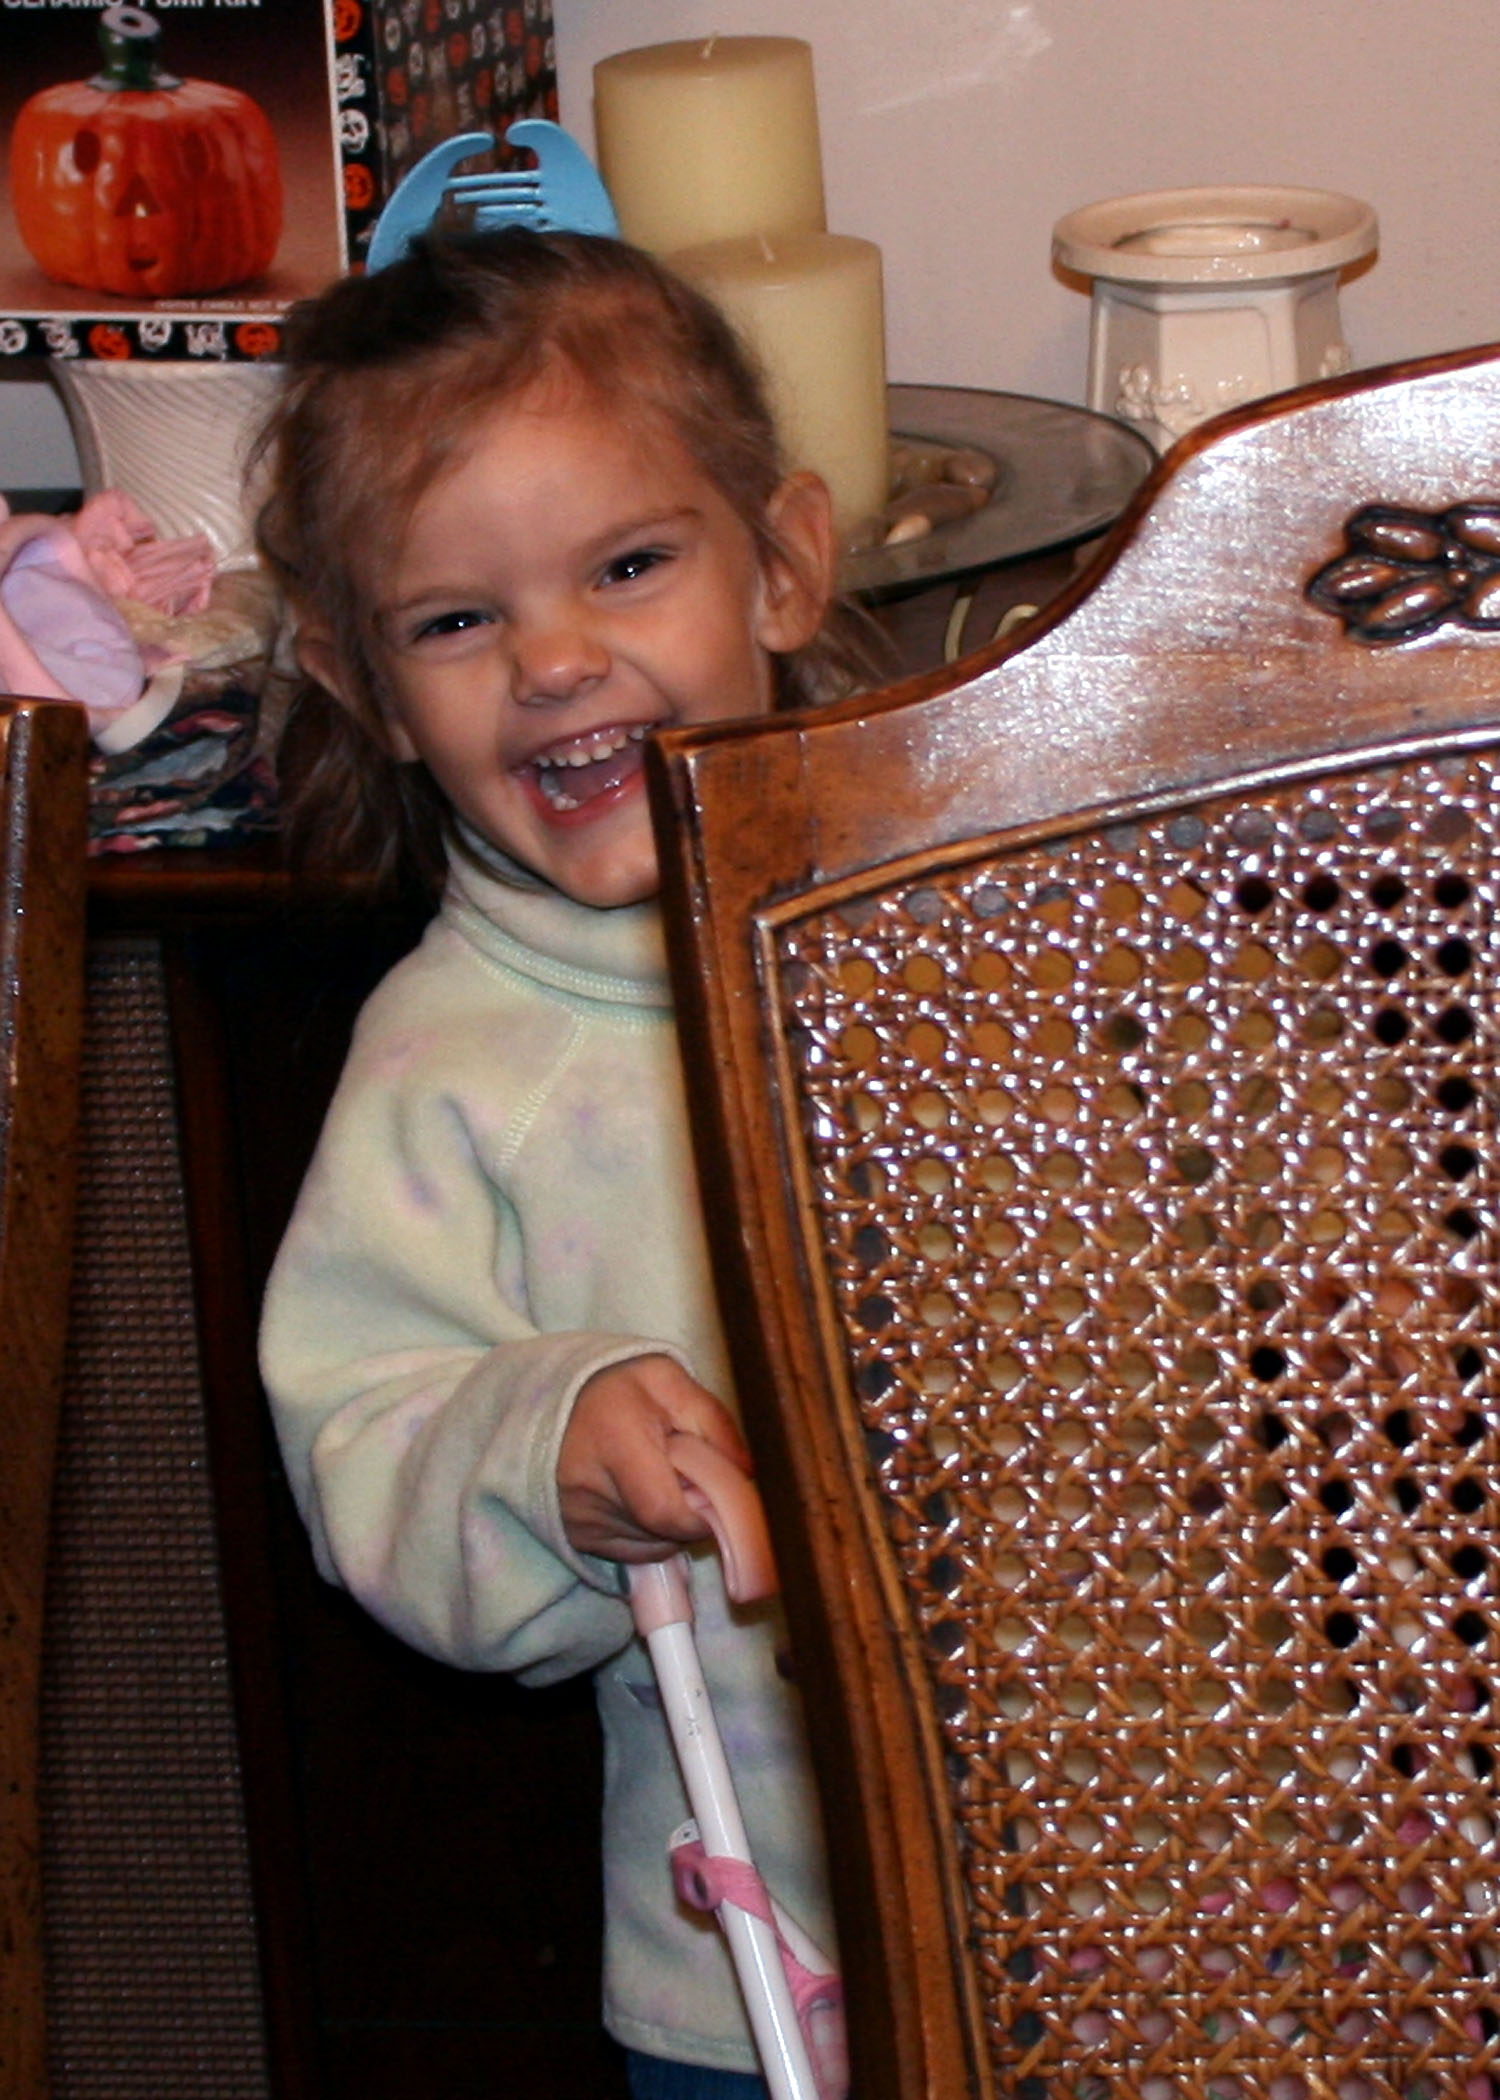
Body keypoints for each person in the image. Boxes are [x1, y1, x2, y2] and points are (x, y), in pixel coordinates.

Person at [255, 228, 878, 2100]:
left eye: (626, 566)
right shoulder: (449, 1068)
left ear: (781, 562)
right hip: (759, 1981)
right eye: (456, 620)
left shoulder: (963, 930)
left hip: (1177, 1892)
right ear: (362, 682)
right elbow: (370, 1444)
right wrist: (550, 1440)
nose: (553, 659)